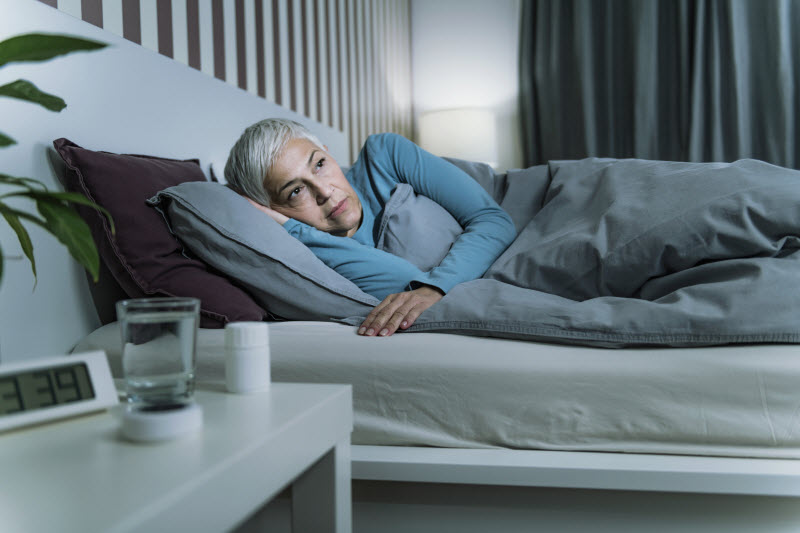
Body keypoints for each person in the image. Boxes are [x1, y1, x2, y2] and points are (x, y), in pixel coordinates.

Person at [224, 118, 516, 337]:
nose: (324, 191)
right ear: (273, 210)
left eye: (319, 164)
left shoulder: (384, 154)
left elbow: (492, 218)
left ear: (329, 153)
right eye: (295, 192)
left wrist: (434, 288)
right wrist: (294, 229)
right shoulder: (301, 251)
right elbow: (404, 281)